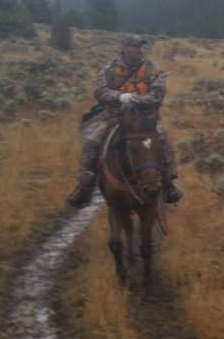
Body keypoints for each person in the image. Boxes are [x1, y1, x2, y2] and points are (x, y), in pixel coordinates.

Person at [67, 33, 183, 208]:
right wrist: (121, 97)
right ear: (125, 48)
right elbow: (99, 92)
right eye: (136, 46)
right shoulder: (110, 68)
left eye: (141, 47)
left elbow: (158, 95)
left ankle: (168, 183)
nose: (140, 50)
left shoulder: (152, 68)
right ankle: (85, 185)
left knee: (163, 140)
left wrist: (135, 99)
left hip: (145, 119)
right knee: (92, 141)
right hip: (114, 117)